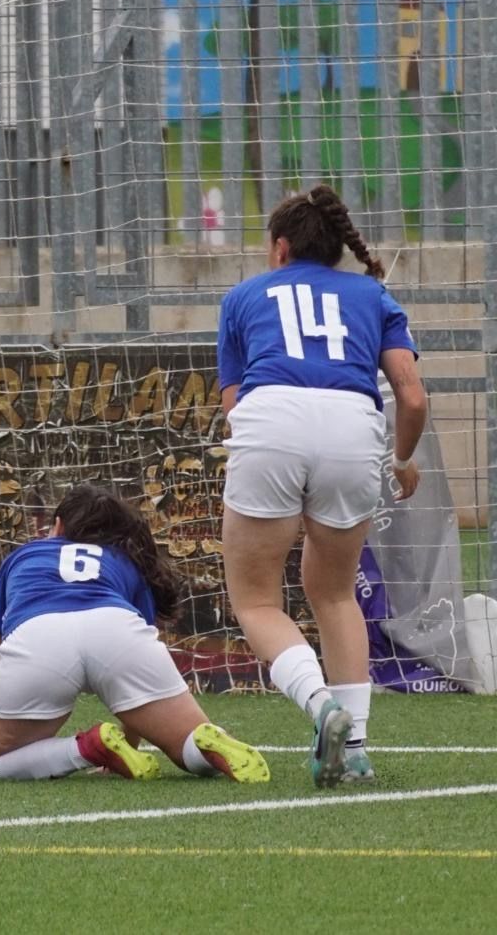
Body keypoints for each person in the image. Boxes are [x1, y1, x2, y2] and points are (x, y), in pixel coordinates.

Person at [217, 184, 426, 787]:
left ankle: (320, 706)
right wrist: (402, 459)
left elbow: (236, 406)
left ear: (279, 248)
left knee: (257, 600)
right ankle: (354, 747)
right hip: (351, 426)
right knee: (334, 594)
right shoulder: (372, 294)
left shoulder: (242, 297)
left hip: (272, 419)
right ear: (337, 249)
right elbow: (411, 396)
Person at [0, 485, 268, 784]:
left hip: (40, 636)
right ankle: (202, 742)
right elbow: (135, 677)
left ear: (57, 526)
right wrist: (128, 747)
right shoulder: (124, 561)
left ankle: (86, 748)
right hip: (115, 628)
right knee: (187, 744)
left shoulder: (23, 556)